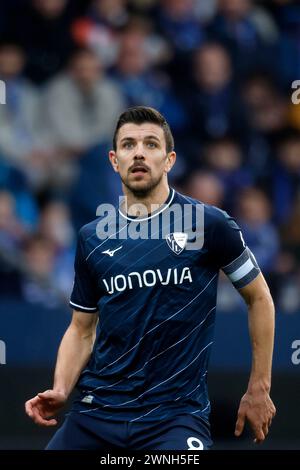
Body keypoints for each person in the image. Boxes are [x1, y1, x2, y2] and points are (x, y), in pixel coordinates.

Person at [25, 106, 276, 450]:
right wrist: (61, 388)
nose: (139, 152)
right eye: (128, 145)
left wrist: (259, 387)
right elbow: (81, 329)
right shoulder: (92, 237)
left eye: (151, 144)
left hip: (174, 419)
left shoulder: (209, 224)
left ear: (169, 159)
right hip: (96, 416)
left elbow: (259, 298)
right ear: (115, 160)